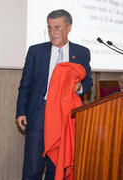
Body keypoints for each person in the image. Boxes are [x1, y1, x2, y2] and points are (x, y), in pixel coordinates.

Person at [16, 9, 93, 180]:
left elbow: (88, 82)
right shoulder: (36, 51)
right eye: (49, 28)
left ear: (69, 28)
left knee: (58, 165)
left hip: (66, 114)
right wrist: (21, 112)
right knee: (32, 167)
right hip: (39, 112)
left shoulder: (81, 52)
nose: (52, 32)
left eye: (57, 28)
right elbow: (25, 85)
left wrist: (80, 86)